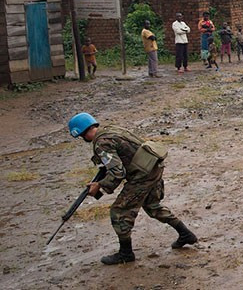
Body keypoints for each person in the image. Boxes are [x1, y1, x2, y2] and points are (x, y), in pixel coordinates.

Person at [66, 112, 197, 265]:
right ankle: (185, 234)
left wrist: (99, 186)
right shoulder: (110, 130)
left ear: (81, 133)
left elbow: (118, 172)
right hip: (153, 168)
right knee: (152, 206)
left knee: (119, 212)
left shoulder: (101, 143)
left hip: (142, 175)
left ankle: (126, 253)